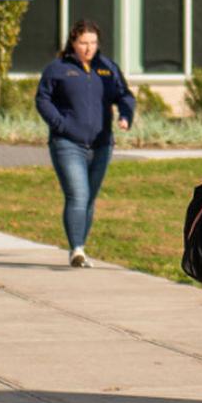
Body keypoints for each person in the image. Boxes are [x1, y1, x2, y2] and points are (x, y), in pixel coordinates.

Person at [34, 20, 135, 268]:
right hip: (68, 142)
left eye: (92, 43)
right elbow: (42, 99)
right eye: (83, 43)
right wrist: (60, 124)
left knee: (89, 198)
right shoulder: (58, 69)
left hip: (101, 144)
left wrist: (125, 115)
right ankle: (76, 249)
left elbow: (124, 95)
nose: (88, 48)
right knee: (77, 194)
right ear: (73, 43)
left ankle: (81, 245)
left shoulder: (107, 68)